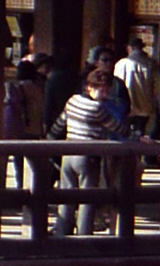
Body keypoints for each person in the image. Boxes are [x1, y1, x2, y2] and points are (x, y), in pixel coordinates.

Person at [54, 60, 130, 235]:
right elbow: (118, 129)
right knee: (87, 198)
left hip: (68, 152)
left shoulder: (72, 101)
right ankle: (84, 235)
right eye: (100, 89)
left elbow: (59, 124)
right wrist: (136, 136)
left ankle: (62, 232)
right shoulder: (97, 108)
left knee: (66, 196)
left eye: (105, 89)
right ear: (89, 87)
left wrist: (47, 142)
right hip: (88, 156)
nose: (104, 93)